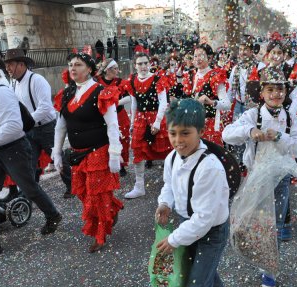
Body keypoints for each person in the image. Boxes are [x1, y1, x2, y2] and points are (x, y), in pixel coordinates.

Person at [0, 43, 62, 261]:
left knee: (29, 188)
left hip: (14, 149)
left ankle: (53, 215)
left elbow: (14, 127)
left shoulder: (1, 93)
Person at [222, 69, 297, 287]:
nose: (276, 94)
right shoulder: (252, 115)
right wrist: (250, 131)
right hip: (257, 178)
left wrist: (281, 137)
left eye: (280, 89)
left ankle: (269, 271)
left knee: (275, 226)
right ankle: (257, 254)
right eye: (270, 89)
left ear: (286, 91)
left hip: (281, 180)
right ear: (262, 92)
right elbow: (227, 134)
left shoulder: (291, 118)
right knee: (249, 220)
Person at [156, 99, 233, 287]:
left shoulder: (209, 167)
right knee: (206, 273)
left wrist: (174, 240)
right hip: (187, 223)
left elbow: (204, 218)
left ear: (201, 131)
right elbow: (169, 184)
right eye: (173, 133)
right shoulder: (172, 157)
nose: (178, 140)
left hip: (211, 231)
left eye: (185, 133)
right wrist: (165, 203)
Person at [52, 52, 123, 253]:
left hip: (98, 151)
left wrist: (115, 154)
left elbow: (112, 125)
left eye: (78, 64)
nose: (73, 68)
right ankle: (113, 207)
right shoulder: (67, 93)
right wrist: (56, 152)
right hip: (77, 153)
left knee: (95, 197)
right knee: (82, 193)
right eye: (71, 64)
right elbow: (61, 126)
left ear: (90, 69)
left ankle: (100, 235)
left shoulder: (101, 91)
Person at [3, 49, 71, 196]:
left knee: (58, 157)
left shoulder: (37, 80)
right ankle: (30, 194)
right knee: (29, 163)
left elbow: (46, 108)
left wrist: (27, 121)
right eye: (6, 65)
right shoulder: (12, 84)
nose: (7, 68)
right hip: (28, 130)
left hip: (47, 128)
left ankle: (72, 186)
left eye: (10, 64)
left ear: (21, 64)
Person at [125, 52, 172, 199]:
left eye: (146, 63)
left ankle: (171, 185)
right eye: (140, 63)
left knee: (167, 151)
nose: (144, 66)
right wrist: (132, 123)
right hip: (140, 119)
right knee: (138, 151)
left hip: (156, 117)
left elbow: (163, 102)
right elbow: (133, 104)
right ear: (135, 65)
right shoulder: (132, 81)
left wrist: (157, 122)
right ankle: (139, 186)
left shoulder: (158, 79)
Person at [182, 44, 230, 146]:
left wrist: (211, 102)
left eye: (201, 55)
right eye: (195, 56)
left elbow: (227, 104)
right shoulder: (191, 75)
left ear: (210, 57)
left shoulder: (215, 76)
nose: (198, 59)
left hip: (210, 124)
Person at [96, 58, 131, 177]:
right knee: (105, 139)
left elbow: (129, 97)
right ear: (107, 70)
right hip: (103, 116)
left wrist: (116, 102)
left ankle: (121, 165)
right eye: (115, 68)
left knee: (123, 139)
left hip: (119, 114)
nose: (117, 70)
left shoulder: (120, 82)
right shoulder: (98, 82)